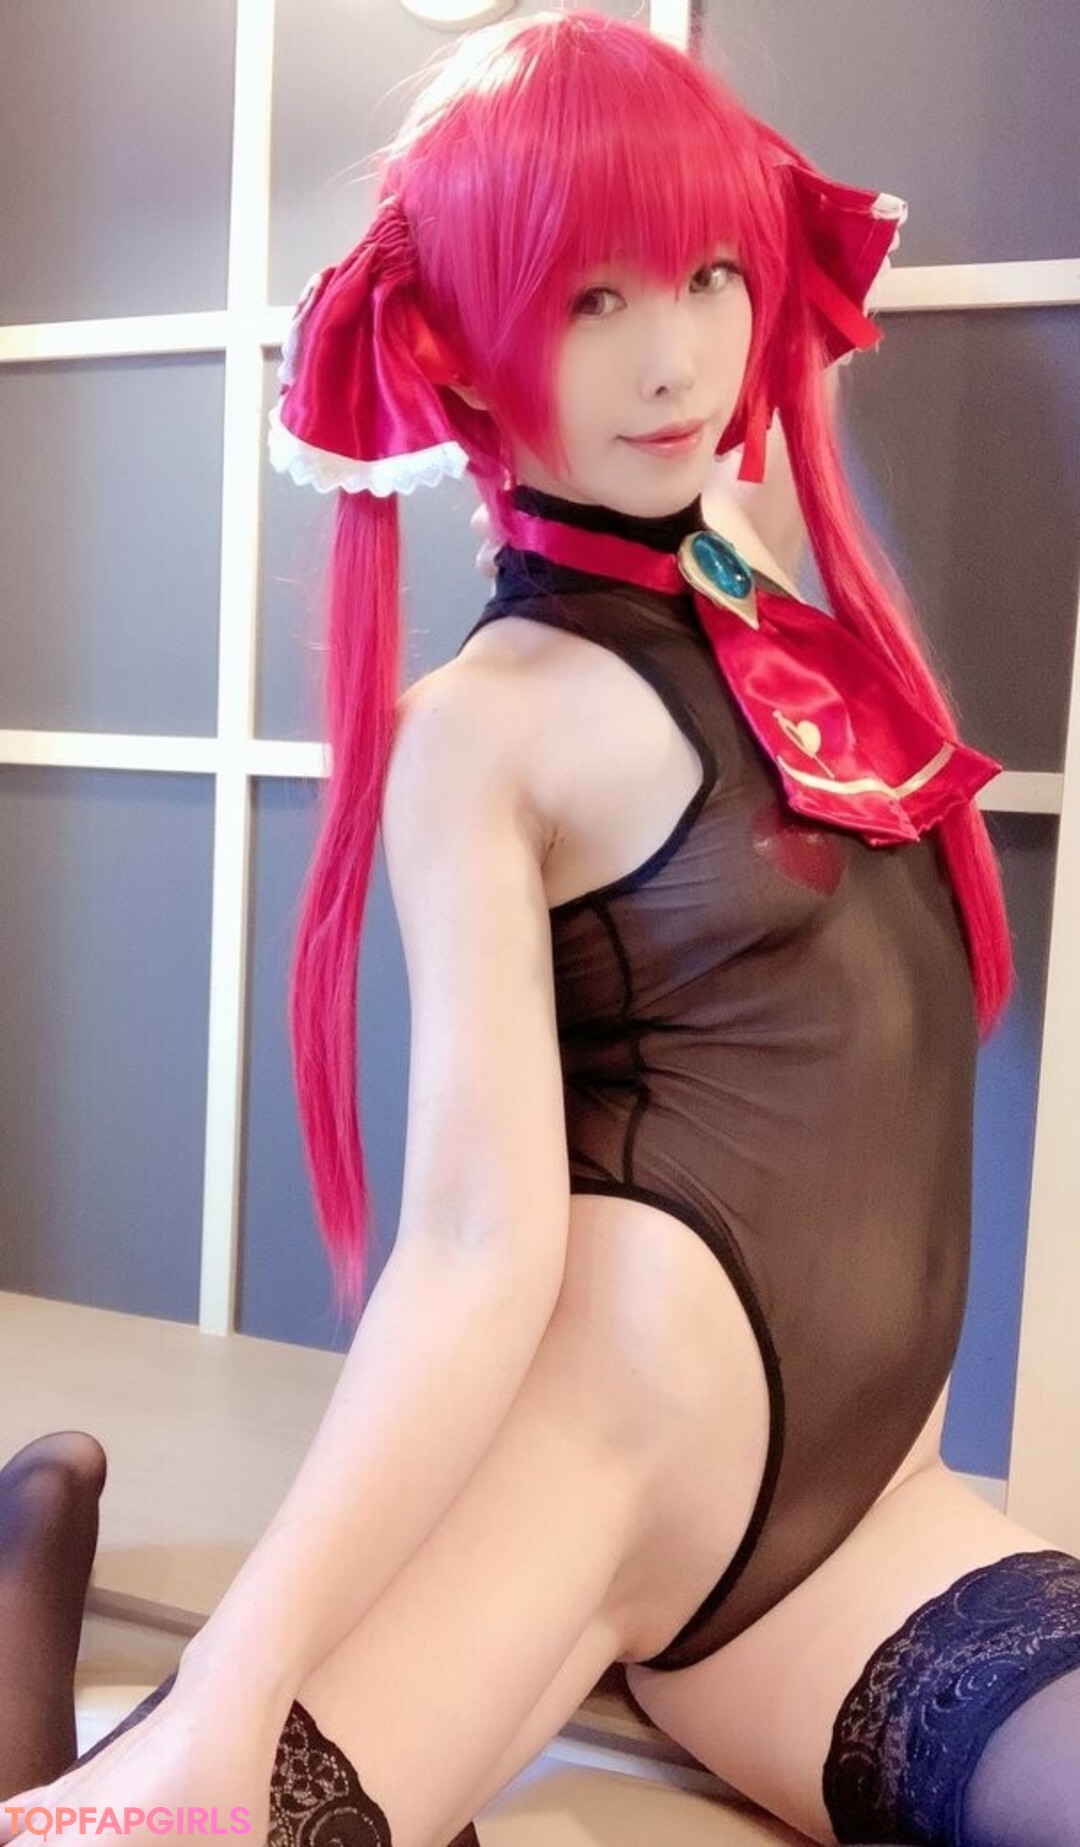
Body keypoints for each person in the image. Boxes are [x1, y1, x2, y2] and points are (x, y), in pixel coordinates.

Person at [3, 12, 1079, 1847]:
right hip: (586, 1483)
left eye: (711, 274)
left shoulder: (774, 605)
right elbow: (472, 1250)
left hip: (862, 1541)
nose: (674, 358)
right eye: (591, 300)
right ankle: (40, 1647)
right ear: (458, 347)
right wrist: (242, 1677)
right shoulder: (481, 731)